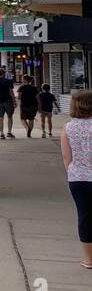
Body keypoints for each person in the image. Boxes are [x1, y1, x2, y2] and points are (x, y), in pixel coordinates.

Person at [61, 89, 92, 270]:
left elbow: (67, 157)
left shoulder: (68, 127)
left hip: (78, 179)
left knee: (85, 216)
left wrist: (72, 173)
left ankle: (88, 259)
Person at [0, 67, 15, 139]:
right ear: (2, 73)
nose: (5, 74)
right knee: (10, 117)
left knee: (0, 117)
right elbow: (11, 92)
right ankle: (9, 132)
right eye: (4, 72)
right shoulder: (8, 81)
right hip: (8, 101)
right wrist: (14, 101)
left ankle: (1, 133)